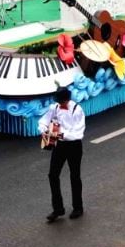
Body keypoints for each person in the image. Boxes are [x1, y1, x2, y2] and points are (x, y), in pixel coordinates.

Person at [38, 86, 85, 222]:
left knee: (75, 176)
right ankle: (58, 209)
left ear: (67, 99)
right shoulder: (55, 108)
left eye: (61, 101)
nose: (60, 103)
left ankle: (78, 207)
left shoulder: (77, 110)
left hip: (74, 145)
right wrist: (44, 129)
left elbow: (78, 133)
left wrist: (60, 134)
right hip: (60, 145)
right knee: (53, 175)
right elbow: (43, 120)